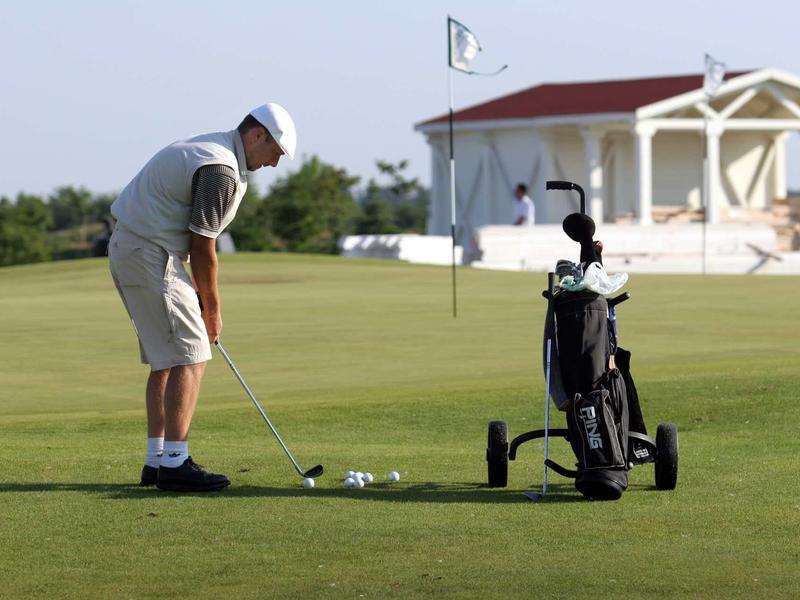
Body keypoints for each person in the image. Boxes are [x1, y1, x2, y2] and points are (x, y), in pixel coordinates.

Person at [108, 103, 296, 492]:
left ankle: (156, 461)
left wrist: (189, 286)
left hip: (136, 247)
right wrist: (212, 307)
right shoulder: (220, 169)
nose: (274, 164)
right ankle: (175, 465)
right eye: (275, 153)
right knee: (191, 352)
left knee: (165, 359)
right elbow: (204, 244)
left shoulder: (212, 148)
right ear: (258, 136)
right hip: (150, 252)